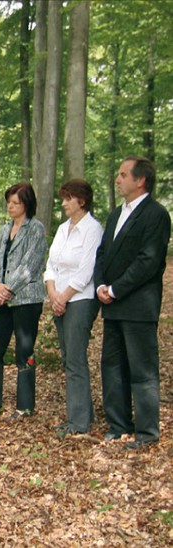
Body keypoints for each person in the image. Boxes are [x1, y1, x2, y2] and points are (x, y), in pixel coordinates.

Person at [95, 156, 170, 450]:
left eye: (123, 174)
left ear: (140, 180)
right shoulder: (115, 214)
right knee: (112, 366)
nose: (118, 179)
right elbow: (102, 253)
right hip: (111, 304)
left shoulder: (156, 215)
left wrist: (115, 289)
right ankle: (119, 424)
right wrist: (101, 284)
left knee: (142, 370)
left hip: (138, 305)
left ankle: (148, 432)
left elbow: (148, 262)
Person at [0, 183, 48, 420]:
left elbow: (31, 265)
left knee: (24, 351)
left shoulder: (35, 229)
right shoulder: (5, 229)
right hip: (1, 299)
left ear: (26, 204)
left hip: (26, 300)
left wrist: (7, 290)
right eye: (9, 202)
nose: (10, 207)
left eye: (15, 202)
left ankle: (25, 406)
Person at [44, 180, 103, 436]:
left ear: (82, 200)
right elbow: (51, 265)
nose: (64, 203)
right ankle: (82, 414)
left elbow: (86, 270)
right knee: (68, 358)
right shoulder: (62, 229)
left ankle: (78, 423)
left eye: (69, 198)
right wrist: (53, 293)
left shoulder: (93, 229)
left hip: (81, 299)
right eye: (63, 198)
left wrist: (64, 296)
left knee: (76, 360)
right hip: (60, 298)